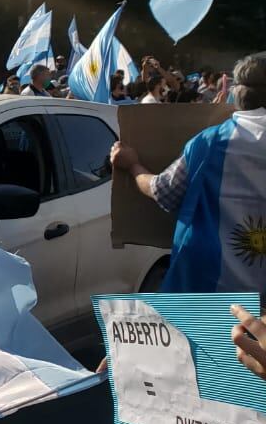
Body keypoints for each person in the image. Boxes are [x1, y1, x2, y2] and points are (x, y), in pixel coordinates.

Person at [110, 52, 265, 295]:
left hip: (208, 296)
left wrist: (132, 165)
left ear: (238, 94)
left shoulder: (209, 143)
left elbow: (163, 192)